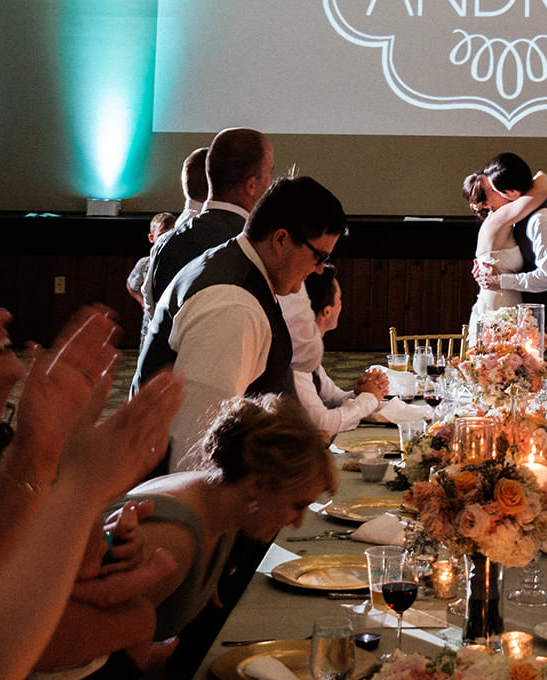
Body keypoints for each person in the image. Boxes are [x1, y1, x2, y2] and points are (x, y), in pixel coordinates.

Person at [0, 302, 183, 677]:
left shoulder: (8, 435)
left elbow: (61, 559)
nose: (3, 314)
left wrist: (102, 529)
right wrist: (80, 488)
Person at [133, 173, 347, 470]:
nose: (321, 270)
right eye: (318, 256)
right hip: (176, 496)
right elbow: (197, 446)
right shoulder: (233, 306)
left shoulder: (236, 267)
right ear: (281, 240)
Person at [112, 394, 335, 646]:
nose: (297, 522)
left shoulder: (223, 505)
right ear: (256, 484)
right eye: (297, 506)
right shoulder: (174, 538)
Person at [146, 128, 274, 311]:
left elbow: (153, 311)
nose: (270, 184)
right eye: (269, 173)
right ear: (251, 185)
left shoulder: (165, 243)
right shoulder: (256, 245)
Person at [280, 266, 388, 437]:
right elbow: (322, 423)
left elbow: (332, 397)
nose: (342, 305)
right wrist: (368, 398)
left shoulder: (307, 345)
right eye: (340, 299)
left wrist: (359, 393)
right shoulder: (294, 355)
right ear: (327, 311)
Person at [472, 152, 547, 336]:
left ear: (511, 193)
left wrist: (500, 280)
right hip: (510, 303)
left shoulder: (541, 220)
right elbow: (541, 182)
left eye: (496, 190)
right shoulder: (509, 215)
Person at [464, 167, 547, 336]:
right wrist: (540, 173)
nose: (499, 188)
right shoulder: (498, 219)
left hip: (506, 300)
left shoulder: (503, 221)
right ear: (486, 204)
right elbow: (542, 187)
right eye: (492, 189)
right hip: (498, 305)